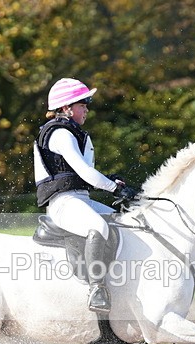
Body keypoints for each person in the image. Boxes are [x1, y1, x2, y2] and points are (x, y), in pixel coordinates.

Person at [33, 77, 138, 313]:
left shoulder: (79, 134)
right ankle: (96, 289)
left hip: (81, 200)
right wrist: (114, 188)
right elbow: (85, 172)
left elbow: (81, 174)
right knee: (98, 228)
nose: (86, 110)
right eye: (82, 105)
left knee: (126, 223)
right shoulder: (60, 133)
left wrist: (112, 180)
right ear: (66, 108)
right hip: (63, 203)